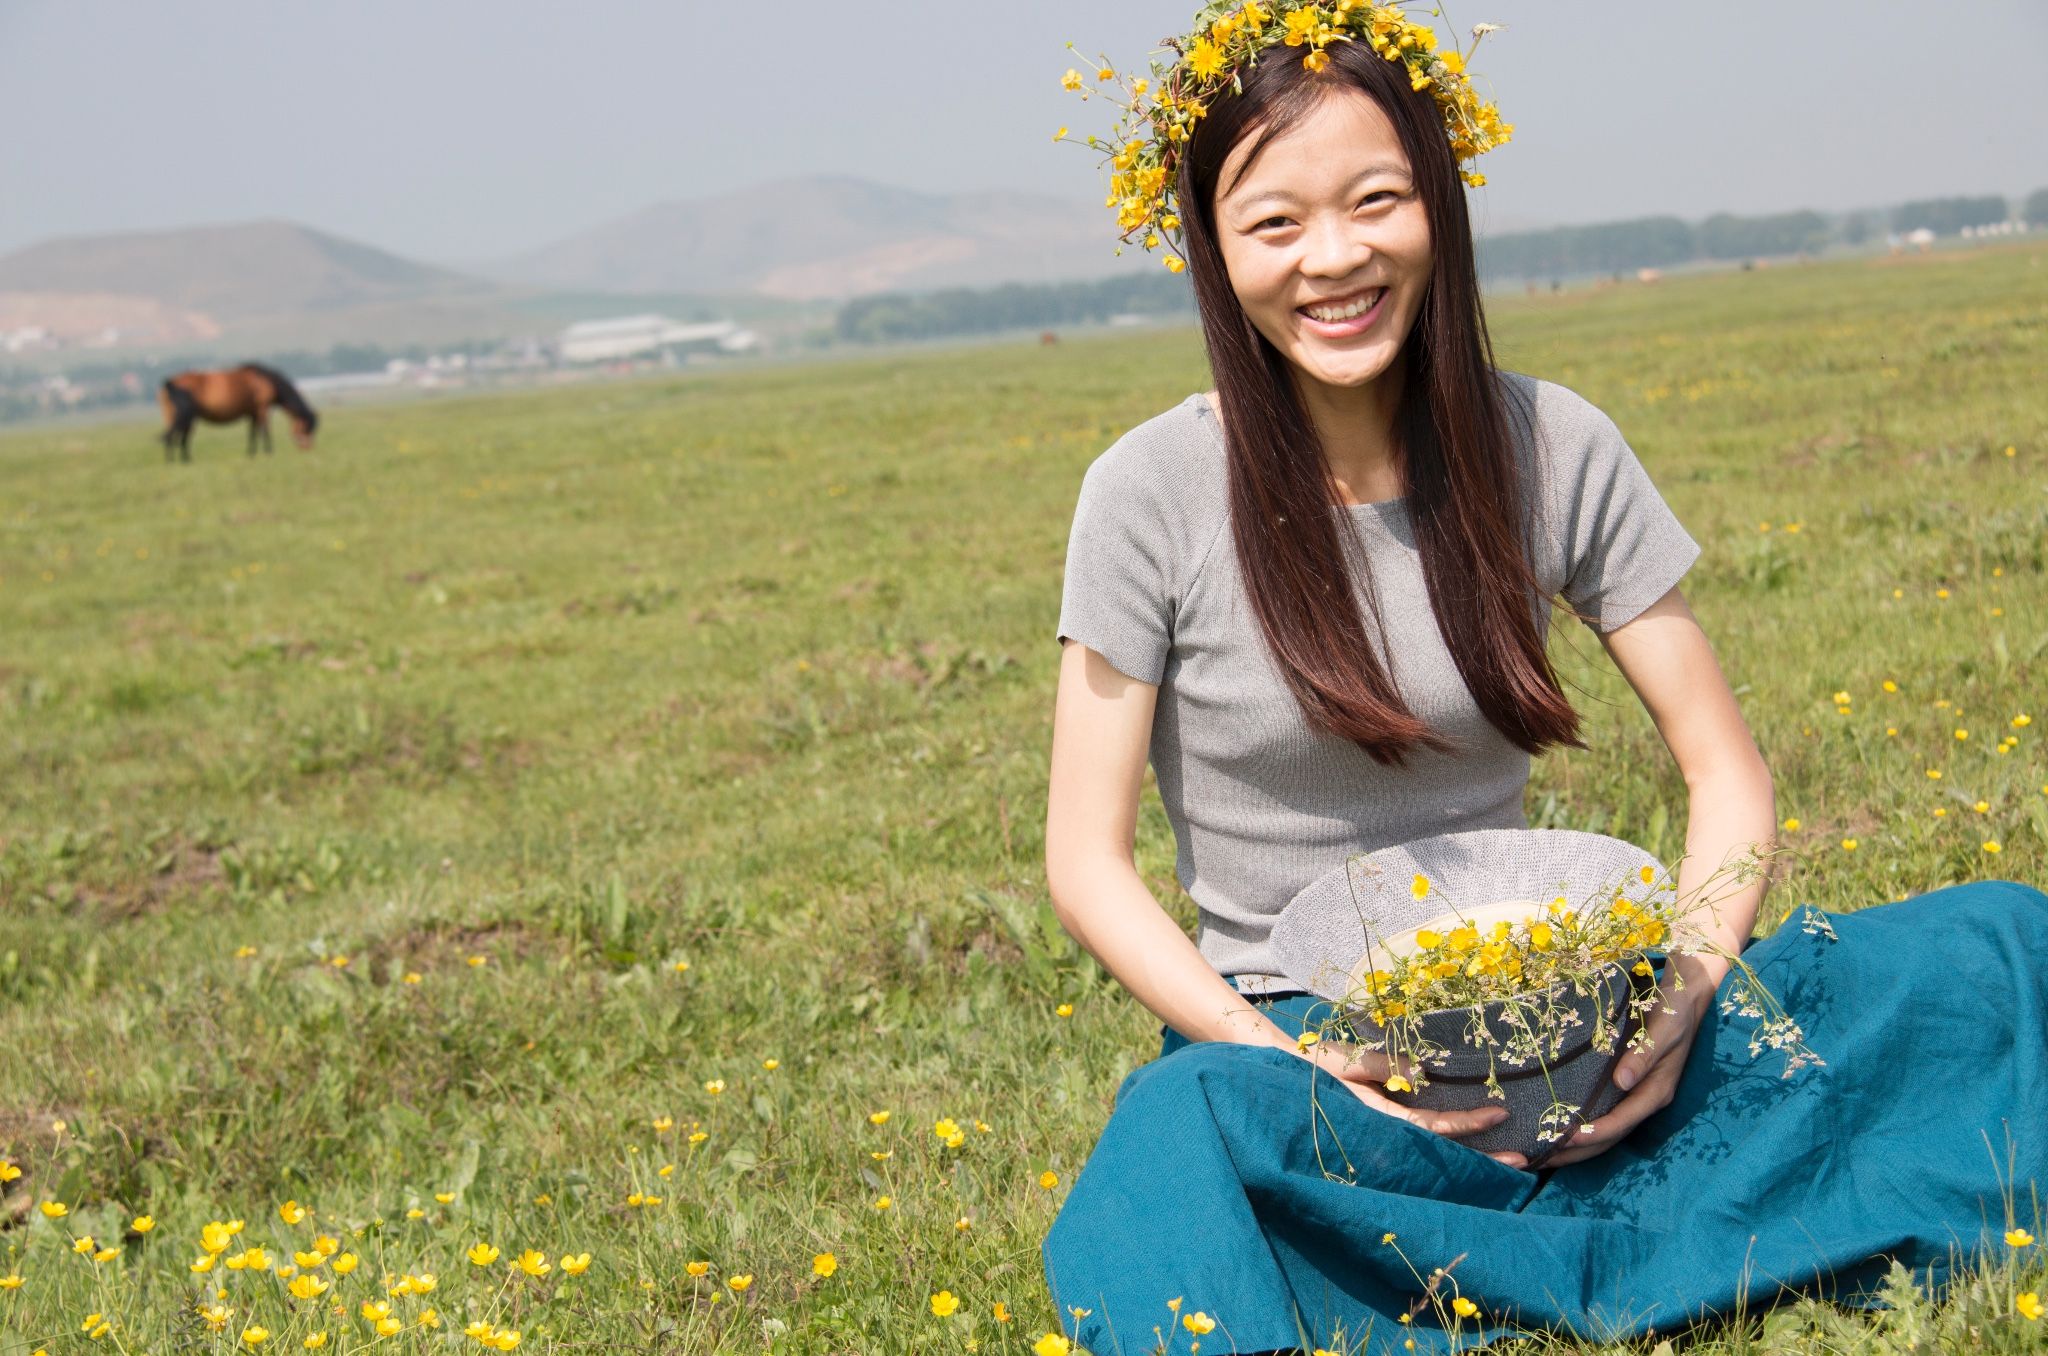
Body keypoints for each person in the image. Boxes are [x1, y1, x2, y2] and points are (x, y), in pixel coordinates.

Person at [1039, 7, 2048, 1354]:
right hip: (1311, 1061)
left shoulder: (1551, 441)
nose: (1334, 258)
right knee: (1182, 1136)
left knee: (1999, 944)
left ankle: (1545, 1226)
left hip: (1573, 1022)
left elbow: (1723, 767)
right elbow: (1084, 861)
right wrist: (1278, 1056)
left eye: (1375, 201)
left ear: (1439, 204)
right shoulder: (1147, 493)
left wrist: (1683, 999)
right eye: (1274, 223)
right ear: (1214, 255)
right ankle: (1620, 1229)